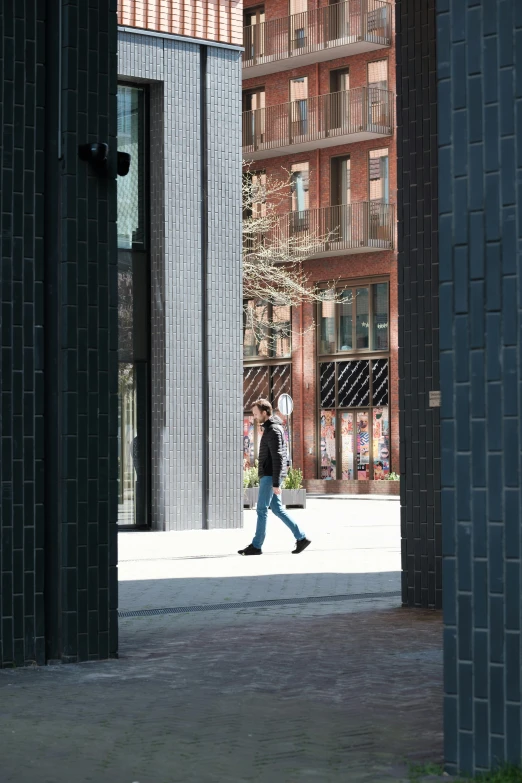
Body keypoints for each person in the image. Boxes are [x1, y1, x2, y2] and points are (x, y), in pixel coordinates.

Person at [238, 398, 311, 556]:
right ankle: (301, 538)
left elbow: (278, 457)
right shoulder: (271, 428)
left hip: (270, 475)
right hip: (270, 474)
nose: (255, 417)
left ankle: (256, 546)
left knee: (261, 509)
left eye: (257, 413)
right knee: (277, 509)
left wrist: (276, 482)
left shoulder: (273, 430)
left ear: (265, 412)